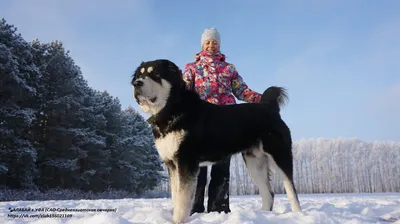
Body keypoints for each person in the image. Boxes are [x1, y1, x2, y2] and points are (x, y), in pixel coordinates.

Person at [182, 27, 262, 214]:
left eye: (215, 42)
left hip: (226, 122)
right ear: (203, 45)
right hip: (200, 122)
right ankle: (194, 208)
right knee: (197, 168)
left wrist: (262, 99)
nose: (211, 45)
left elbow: (242, 90)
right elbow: (183, 92)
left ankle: (219, 208)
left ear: (219, 45)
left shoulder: (229, 69)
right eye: (208, 42)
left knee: (222, 167)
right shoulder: (192, 68)